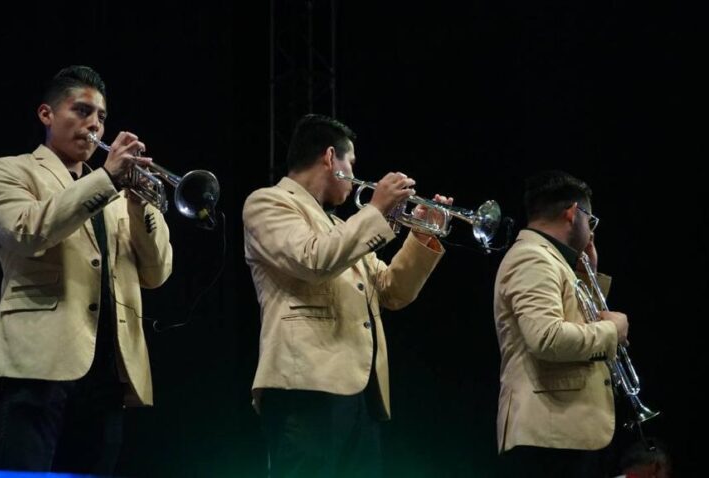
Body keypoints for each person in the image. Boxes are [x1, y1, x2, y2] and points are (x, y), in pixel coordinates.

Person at [243, 113, 449, 477]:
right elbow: (313, 258)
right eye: (350, 162)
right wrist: (376, 210)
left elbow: (391, 291)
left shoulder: (342, 226)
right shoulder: (267, 202)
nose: (354, 173)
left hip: (361, 394)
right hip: (305, 387)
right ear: (329, 158)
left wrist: (420, 236)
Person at [0, 65, 173, 474]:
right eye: (81, 110)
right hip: (37, 366)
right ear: (46, 114)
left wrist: (138, 204)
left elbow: (157, 273)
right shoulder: (10, 170)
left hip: (108, 371)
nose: (94, 125)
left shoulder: (116, 192)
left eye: (101, 117)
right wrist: (108, 179)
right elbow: (27, 232)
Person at [493, 170, 630, 477]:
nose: (591, 231)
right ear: (573, 213)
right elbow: (547, 338)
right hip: (549, 434)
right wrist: (613, 331)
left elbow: (572, 324)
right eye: (590, 221)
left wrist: (587, 275)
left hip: (560, 431)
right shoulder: (533, 257)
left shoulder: (550, 259)